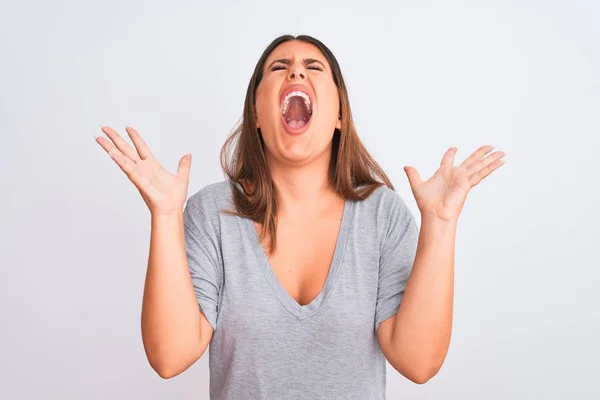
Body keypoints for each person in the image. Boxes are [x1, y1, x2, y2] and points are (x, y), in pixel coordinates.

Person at [95, 34, 505, 399]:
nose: (295, 72)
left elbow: (418, 362)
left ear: (339, 114)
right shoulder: (211, 213)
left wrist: (441, 224)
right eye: (279, 67)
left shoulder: (383, 216)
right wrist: (166, 216)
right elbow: (169, 356)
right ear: (256, 112)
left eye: (313, 67)